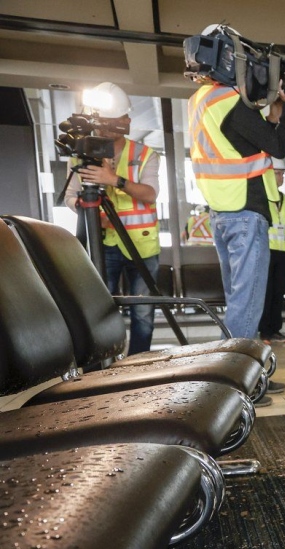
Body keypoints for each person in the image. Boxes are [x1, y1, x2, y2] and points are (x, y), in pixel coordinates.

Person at [186, 23, 285, 344]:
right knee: (247, 300)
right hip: (245, 211)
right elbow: (276, 147)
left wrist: (275, 110)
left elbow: (248, 140)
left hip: (224, 212)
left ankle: (234, 369)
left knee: (239, 296)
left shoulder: (202, 100)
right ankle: (239, 375)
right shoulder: (226, 100)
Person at [64, 82, 161, 356]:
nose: (106, 127)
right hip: (102, 243)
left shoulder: (144, 154)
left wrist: (113, 180)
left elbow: (150, 194)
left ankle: (138, 362)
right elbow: (69, 196)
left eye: (113, 121)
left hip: (142, 245)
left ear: (125, 121)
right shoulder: (81, 156)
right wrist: (87, 210)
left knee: (142, 311)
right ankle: (104, 362)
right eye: (102, 121)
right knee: (102, 308)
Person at [259, 157, 285, 345]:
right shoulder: (261, 198)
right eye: (278, 173)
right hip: (265, 251)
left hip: (283, 252)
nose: (281, 177)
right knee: (266, 292)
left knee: (279, 292)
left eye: (282, 174)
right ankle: (264, 331)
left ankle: (275, 329)